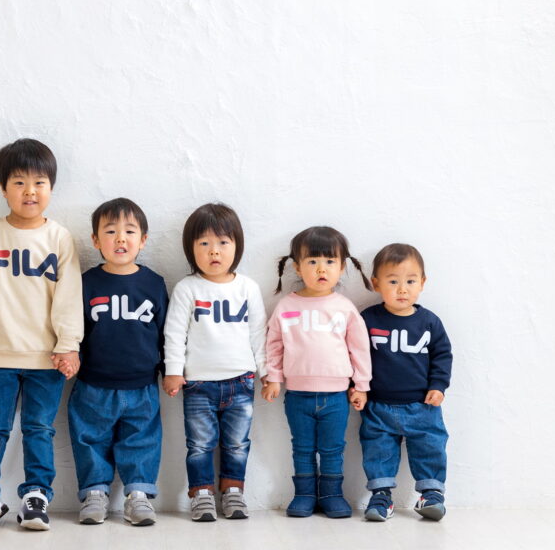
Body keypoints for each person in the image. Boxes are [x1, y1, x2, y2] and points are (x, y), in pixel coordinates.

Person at [0, 139, 83, 531]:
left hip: (46, 357)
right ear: (3, 188)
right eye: (19, 182)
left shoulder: (59, 238)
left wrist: (68, 345)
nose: (29, 191)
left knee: (39, 429)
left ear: (51, 188)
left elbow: (68, 298)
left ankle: (36, 496)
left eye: (39, 182)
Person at [163, 203, 266, 522]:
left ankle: (233, 491)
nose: (214, 251)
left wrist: (268, 372)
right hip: (198, 384)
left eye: (223, 242)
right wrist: (173, 371)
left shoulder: (247, 288)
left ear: (237, 246)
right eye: (204, 243)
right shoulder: (187, 288)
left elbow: (259, 333)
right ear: (190, 249)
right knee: (199, 444)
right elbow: (174, 333)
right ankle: (202, 493)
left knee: (237, 443)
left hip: (241, 382)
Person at [69, 198, 168, 526]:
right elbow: (74, 327)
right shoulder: (86, 282)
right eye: (110, 231)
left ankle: (138, 495)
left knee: (142, 440)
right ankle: (94, 493)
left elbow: (165, 331)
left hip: (142, 385)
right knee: (89, 439)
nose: (120, 238)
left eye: (130, 231)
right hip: (92, 384)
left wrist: (170, 370)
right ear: (96, 240)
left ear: (143, 239)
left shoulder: (153, 283)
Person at [262, 226, 372, 518]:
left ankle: (332, 493)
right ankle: (305, 494)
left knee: (333, 448)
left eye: (330, 261)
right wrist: (274, 377)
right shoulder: (287, 306)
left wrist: (361, 385)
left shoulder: (344, 308)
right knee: (302, 447)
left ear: (342, 267)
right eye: (312, 261)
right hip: (297, 395)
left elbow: (359, 349)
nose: (321, 269)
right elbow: (274, 344)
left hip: (336, 396)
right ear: (297, 267)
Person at [359, 243, 452, 521]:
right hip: (378, 405)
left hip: (422, 405)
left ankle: (431, 495)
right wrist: (358, 387)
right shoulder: (368, 319)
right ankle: (380, 496)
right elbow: (356, 355)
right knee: (378, 450)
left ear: (422, 282)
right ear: (376, 283)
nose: (402, 289)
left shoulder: (429, 322)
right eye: (393, 281)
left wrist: (438, 386)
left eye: (410, 281)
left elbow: (442, 355)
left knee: (430, 447)